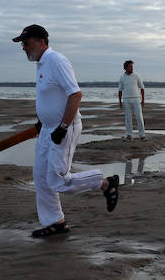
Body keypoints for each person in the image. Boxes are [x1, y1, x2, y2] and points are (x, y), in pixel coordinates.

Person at [13, 24, 120, 237]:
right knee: (41, 177)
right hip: (47, 129)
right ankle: (55, 223)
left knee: (58, 179)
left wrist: (62, 127)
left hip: (64, 128)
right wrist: (42, 121)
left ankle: (106, 183)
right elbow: (51, 98)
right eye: (22, 44)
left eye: (26, 43)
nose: (24, 47)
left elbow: (75, 95)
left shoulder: (56, 61)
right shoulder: (42, 64)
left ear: (41, 42)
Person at [118, 60, 146, 140]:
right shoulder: (122, 78)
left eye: (132, 67)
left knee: (139, 117)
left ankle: (142, 135)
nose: (131, 68)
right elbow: (120, 91)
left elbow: (142, 88)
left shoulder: (136, 76)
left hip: (136, 99)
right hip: (126, 100)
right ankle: (129, 134)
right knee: (128, 118)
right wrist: (120, 102)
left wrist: (143, 100)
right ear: (125, 68)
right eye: (130, 67)